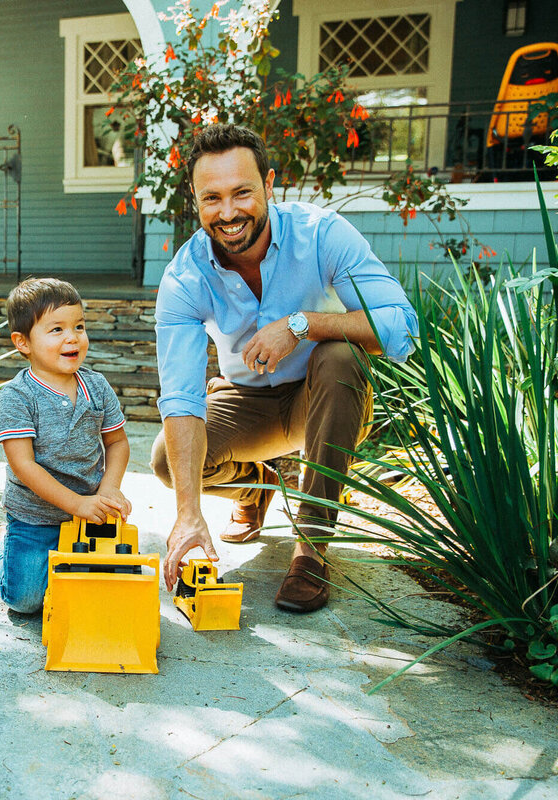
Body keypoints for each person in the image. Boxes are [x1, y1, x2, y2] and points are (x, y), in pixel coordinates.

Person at [152, 124, 417, 613]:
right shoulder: (184, 277)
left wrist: (302, 325)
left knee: (339, 356)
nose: (228, 213)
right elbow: (181, 397)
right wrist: (187, 515)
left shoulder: (321, 234)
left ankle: (312, 547)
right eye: (212, 198)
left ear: (270, 185)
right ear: (195, 198)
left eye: (242, 193)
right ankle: (258, 482)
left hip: (322, 395)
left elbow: (401, 328)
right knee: (169, 462)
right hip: (247, 398)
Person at [0, 278, 132, 613]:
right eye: (57, 329)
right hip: (35, 518)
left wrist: (108, 488)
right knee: (25, 600)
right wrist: (75, 503)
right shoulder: (18, 397)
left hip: (90, 513)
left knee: (95, 595)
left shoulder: (96, 385)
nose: (72, 337)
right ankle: (0, 540)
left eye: (78, 326)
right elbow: (24, 465)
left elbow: (117, 442)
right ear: (23, 342)